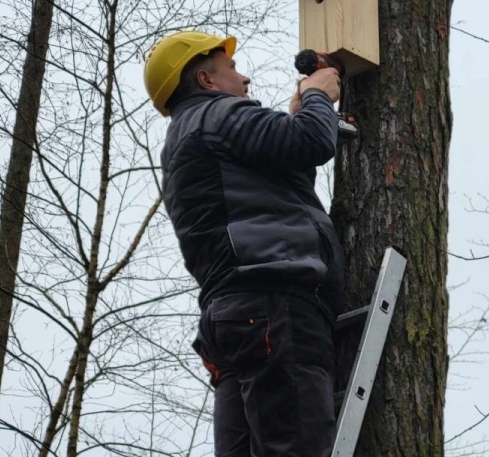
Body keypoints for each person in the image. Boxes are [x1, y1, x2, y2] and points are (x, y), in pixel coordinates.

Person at [144, 30, 346, 456]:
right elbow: (311, 142)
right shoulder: (220, 115)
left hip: (235, 320)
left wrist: (300, 113)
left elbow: (277, 181)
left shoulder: (188, 135)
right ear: (206, 81)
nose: (245, 79)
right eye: (232, 69)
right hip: (275, 307)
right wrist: (316, 96)